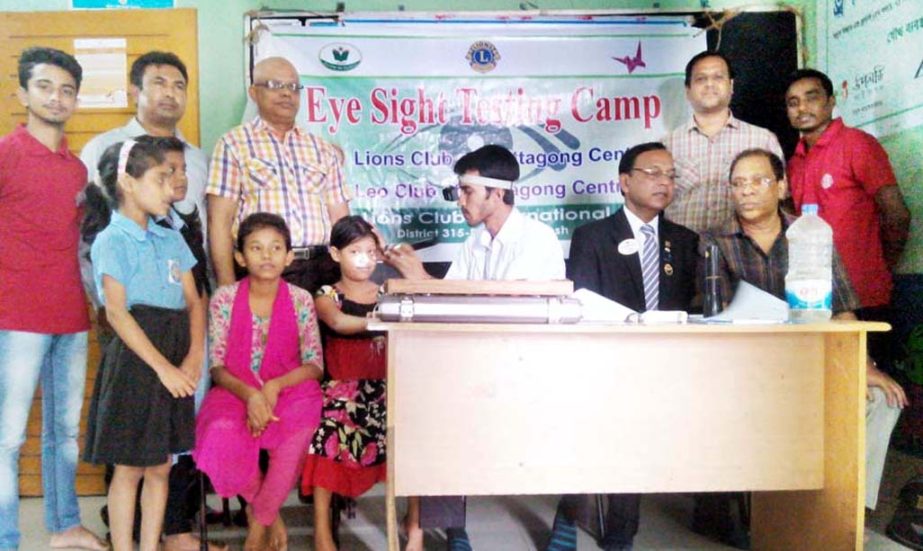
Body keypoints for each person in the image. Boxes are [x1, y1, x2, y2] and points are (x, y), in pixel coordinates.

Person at [702, 147, 907, 513]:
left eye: (757, 181)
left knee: (882, 398)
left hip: (813, 360)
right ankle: (763, 503)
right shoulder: (715, 242)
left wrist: (864, 368)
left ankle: (845, 508)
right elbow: (716, 317)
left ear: (781, 187)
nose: (746, 190)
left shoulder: (811, 233)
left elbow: (842, 307)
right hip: (748, 366)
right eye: (737, 183)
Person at [385, 144, 566, 551]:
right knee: (428, 406)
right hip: (476, 364)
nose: (459, 201)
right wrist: (418, 281)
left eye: (466, 191)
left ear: (497, 193)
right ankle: (451, 527)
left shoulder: (537, 239)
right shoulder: (475, 244)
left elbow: (500, 309)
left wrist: (422, 280)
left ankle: (567, 516)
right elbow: (451, 305)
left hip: (526, 366)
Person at [79, 52, 217, 551]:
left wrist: (195, 355)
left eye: (177, 175)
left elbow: (195, 296)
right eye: (163, 178)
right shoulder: (112, 239)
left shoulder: (169, 236)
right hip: (139, 359)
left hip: (178, 352)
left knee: (161, 462)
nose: (175, 186)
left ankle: (157, 538)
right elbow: (116, 311)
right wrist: (164, 368)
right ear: (128, 183)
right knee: (129, 463)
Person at [553, 142, 699, 551]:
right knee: (624, 421)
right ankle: (616, 529)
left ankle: (718, 513)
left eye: (670, 175)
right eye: (653, 173)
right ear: (624, 181)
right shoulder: (593, 236)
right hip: (610, 362)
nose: (664, 182)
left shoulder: (685, 241)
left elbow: (695, 304)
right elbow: (581, 303)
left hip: (674, 362)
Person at [0, 45, 106, 551]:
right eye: (45, 86)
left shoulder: (76, 171)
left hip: (71, 316)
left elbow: (84, 249)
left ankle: (65, 527)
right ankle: (6, 538)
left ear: (76, 100)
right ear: (23, 92)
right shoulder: (4, 154)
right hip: (14, 316)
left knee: (64, 434)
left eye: (66, 90)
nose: (56, 97)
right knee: (7, 438)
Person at [194, 213, 325, 551]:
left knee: (298, 425)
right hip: (236, 389)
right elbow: (218, 367)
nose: (267, 256)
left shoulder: (300, 299)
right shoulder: (224, 298)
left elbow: (314, 364)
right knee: (220, 431)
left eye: (275, 248)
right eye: (256, 248)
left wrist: (274, 386)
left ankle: (257, 526)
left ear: (288, 256)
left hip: (290, 388)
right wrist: (252, 394)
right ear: (240, 257)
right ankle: (269, 515)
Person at [784, 68, 911, 370]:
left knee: (871, 391)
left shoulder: (858, 144)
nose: (802, 108)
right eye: (793, 102)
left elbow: (897, 215)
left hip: (863, 295)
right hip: (813, 301)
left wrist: (882, 267)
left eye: (811, 98)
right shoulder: (794, 162)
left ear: (830, 102)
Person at [208, 56, 351, 293]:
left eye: (294, 87)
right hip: (263, 270)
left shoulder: (321, 149)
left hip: (322, 269)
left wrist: (347, 281)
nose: (287, 93)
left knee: (324, 331)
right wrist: (226, 289)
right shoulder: (233, 144)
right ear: (254, 93)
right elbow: (219, 223)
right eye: (276, 86)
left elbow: (341, 220)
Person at [301, 216, 388, 551]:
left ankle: (415, 530)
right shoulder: (327, 294)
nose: (365, 258)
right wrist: (383, 321)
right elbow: (337, 321)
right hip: (342, 389)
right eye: (355, 251)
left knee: (412, 435)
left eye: (370, 251)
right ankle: (322, 530)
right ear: (336, 254)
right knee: (326, 431)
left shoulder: (387, 293)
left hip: (385, 387)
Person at [662, 50, 784, 233]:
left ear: (731, 85)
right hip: (685, 252)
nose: (709, 84)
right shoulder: (667, 146)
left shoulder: (762, 140)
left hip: (744, 251)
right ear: (687, 91)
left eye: (718, 77)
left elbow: (781, 196)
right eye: (701, 79)